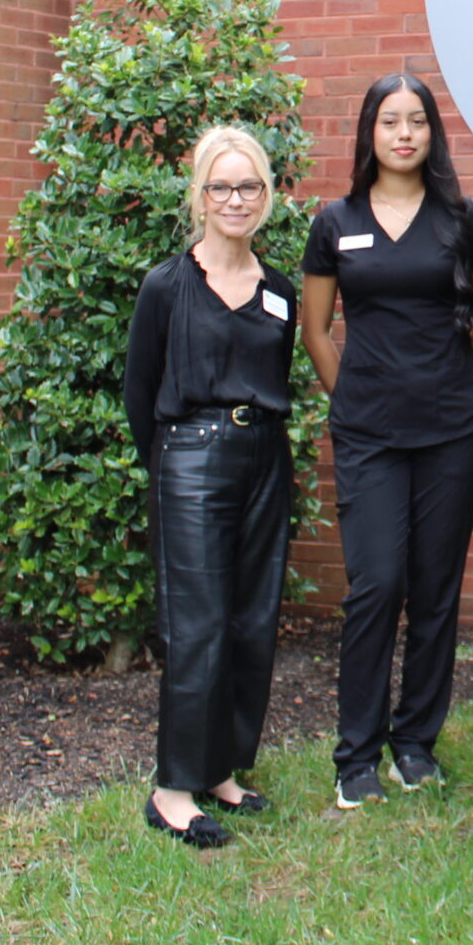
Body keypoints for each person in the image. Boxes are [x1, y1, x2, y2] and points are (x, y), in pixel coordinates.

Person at [300, 74, 473, 810]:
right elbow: (316, 330)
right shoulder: (336, 221)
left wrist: (444, 379)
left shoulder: (464, 220)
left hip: (453, 430)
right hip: (368, 436)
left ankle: (415, 743)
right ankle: (356, 755)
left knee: (436, 587)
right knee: (378, 584)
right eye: (390, 121)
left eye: (417, 121)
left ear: (432, 133)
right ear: (370, 133)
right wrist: (354, 396)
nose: (405, 134)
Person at [121, 124, 299, 847]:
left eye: (248, 186)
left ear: (266, 195)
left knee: (252, 618)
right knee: (197, 625)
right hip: (190, 460)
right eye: (221, 186)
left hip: (265, 459)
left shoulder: (279, 291)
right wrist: (172, 467)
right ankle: (173, 790)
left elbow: (279, 376)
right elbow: (139, 393)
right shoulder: (167, 286)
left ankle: (222, 769)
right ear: (199, 196)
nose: (235, 199)